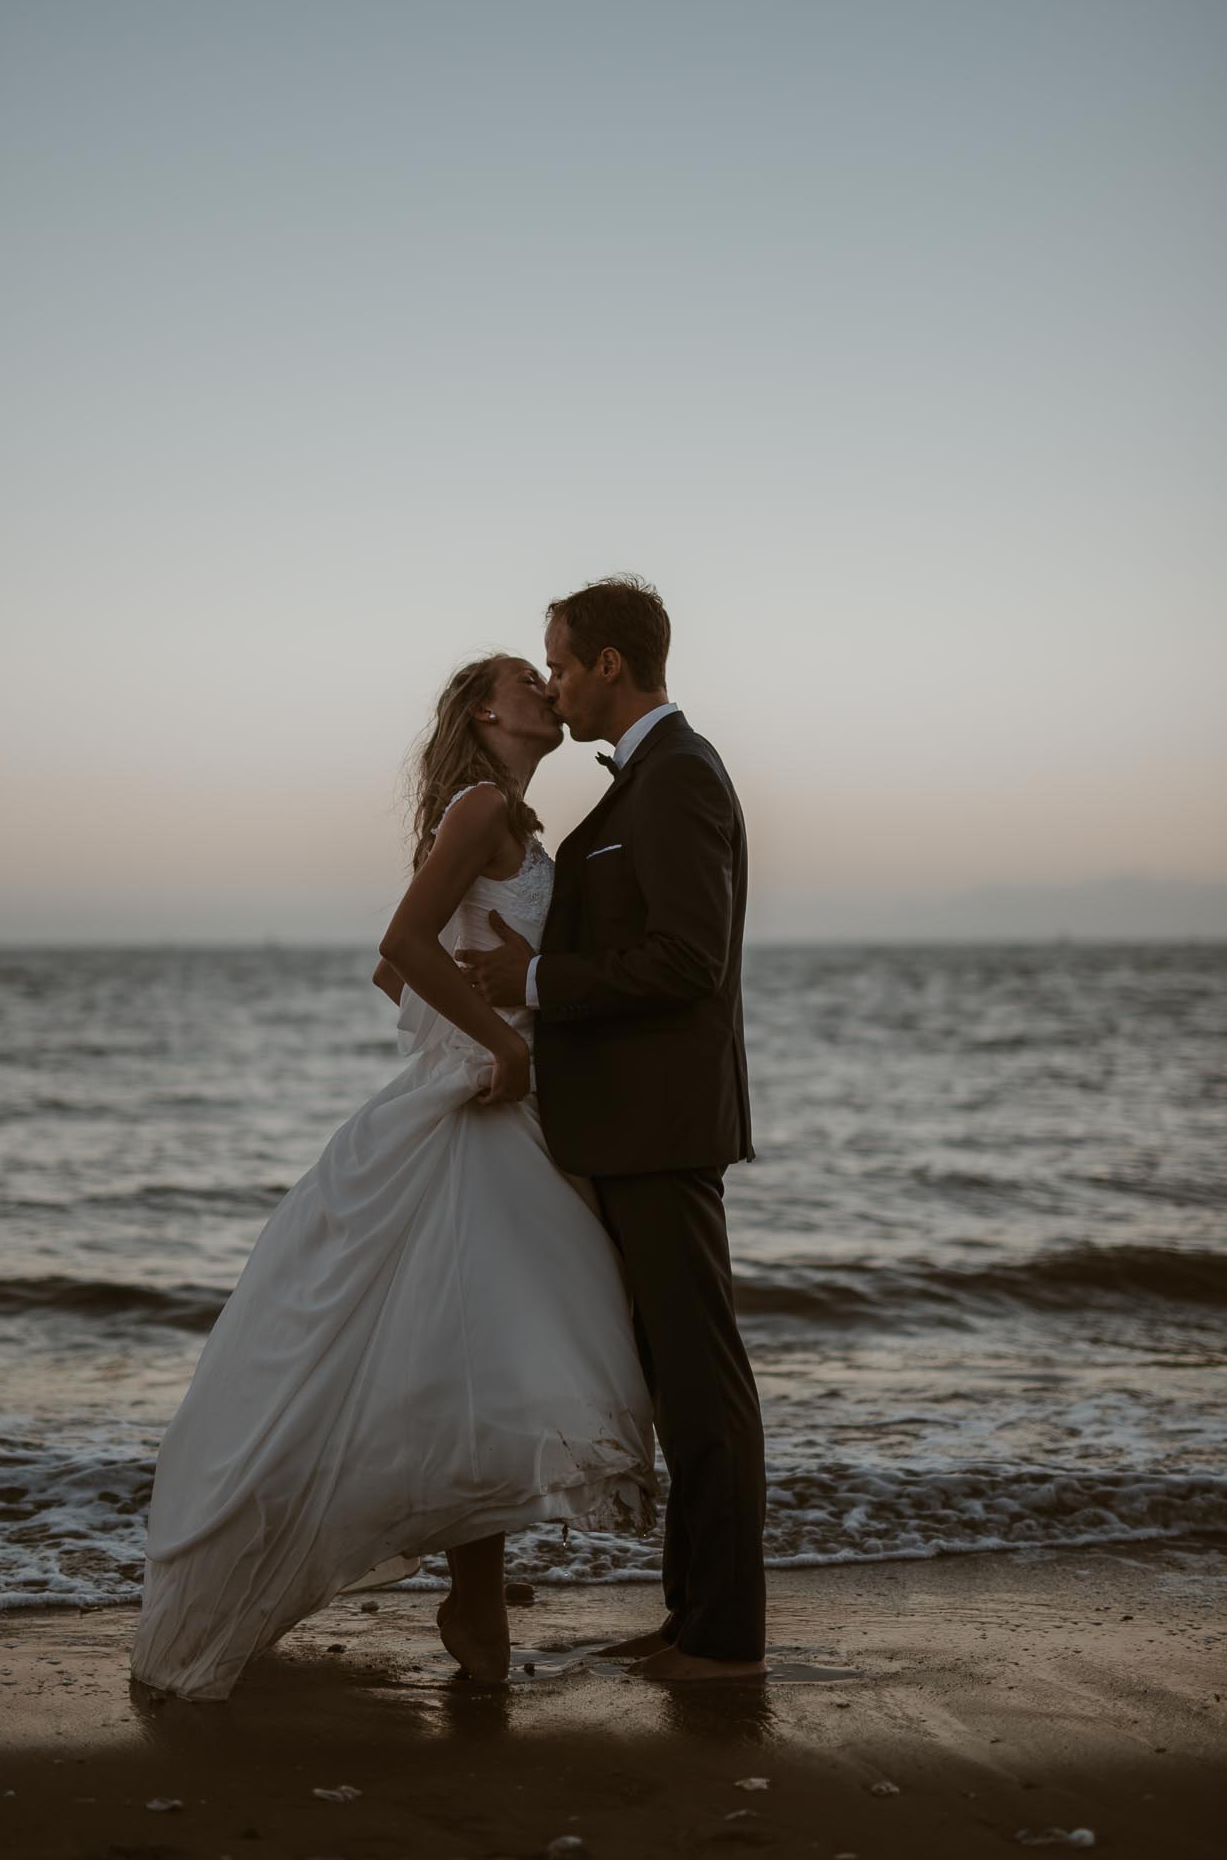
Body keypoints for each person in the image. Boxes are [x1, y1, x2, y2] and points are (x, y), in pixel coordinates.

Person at [129, 653, 656, 1701]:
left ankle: (477, 1594)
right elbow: (398, 944)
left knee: (478, 1355)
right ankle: (475, 1598)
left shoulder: (508, 814)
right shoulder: (477, 806)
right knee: (494, 1346)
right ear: (481, 708)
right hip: (484, 1106)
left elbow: (399, 971)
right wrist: (495, 1047)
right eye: (524, 677)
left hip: (507, 1102)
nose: (545, 690)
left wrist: (480, 1007)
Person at [459, 576, 766, 1681]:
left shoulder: (679, 776)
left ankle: (724, 1635)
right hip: (631, 1128)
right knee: (677, 1380)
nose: (550, 679)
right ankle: (689, 1616)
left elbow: (687, 958)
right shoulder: (646, 781)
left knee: (702, 1380)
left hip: (662, 1126)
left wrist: (532, 974)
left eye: (560, 658)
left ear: (607, 664)